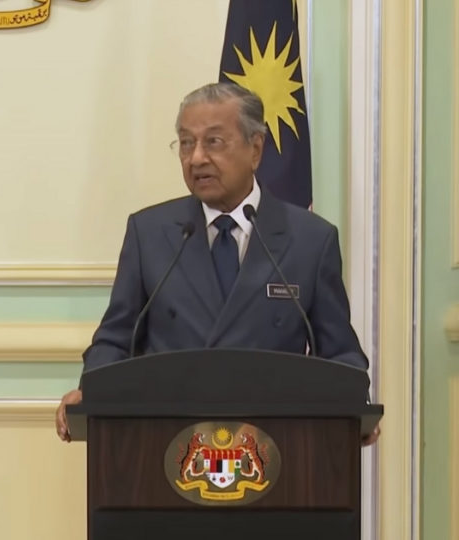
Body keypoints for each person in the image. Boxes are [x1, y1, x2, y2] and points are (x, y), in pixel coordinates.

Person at [54, 82, 380, 445]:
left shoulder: (310, 239)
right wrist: (91, 389)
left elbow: (338, 350)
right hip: (166, 445)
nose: (196, 159)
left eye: (213, 142)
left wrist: (356, 404)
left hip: (274, 448)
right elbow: (115, 340)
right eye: (186, 142)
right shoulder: (149, 232)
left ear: (255, 149)